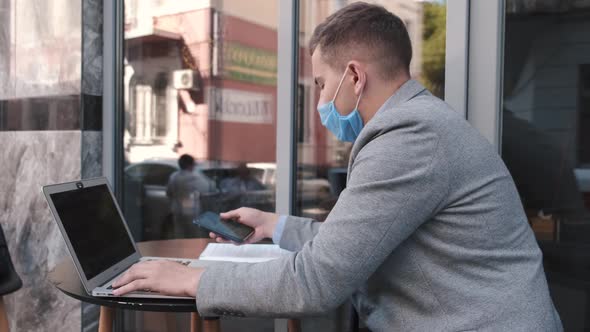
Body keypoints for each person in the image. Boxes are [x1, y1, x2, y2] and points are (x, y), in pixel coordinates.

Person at [113, 3, 563, 331]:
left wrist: (191, 279)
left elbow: (315, 283)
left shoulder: (408, 140)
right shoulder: (420, 124)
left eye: (322, 84)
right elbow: (362, 240)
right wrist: (277, 225)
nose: (321, 100)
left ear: (354, 76)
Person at [166, 154, 214, 238]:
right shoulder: (194, 176)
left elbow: (168, 192)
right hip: (191, 211)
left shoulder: (173, 176)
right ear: (190, 165)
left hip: (176, 209)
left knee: (179, 234)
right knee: (194, 235)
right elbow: (208, 188)